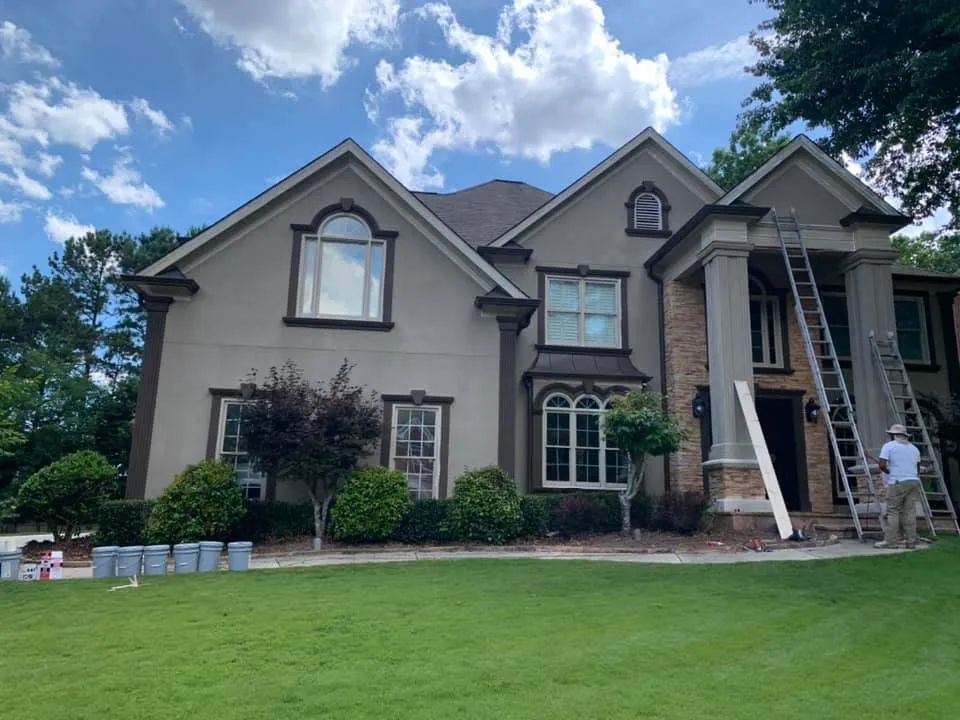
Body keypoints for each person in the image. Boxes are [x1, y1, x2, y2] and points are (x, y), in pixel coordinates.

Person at [874, 424, 923, 549]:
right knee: (910, 512)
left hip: (897, 481)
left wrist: (889, 472)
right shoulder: (914, 448)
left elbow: (882, 465)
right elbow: (917, 469)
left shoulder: (889, 446)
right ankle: (911, 541)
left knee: (893, 511)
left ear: (893, 435)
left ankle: (890, 541)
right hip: (913, 481)